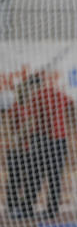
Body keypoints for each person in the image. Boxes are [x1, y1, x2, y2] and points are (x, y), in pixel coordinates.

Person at [19, 72, 74, 220]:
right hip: (60, 140)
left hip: (42, 140)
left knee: (34, 176)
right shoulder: (58, 93)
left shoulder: (37, 96)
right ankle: (52, 209)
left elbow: (31, 120)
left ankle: (27, 208)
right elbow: (71, 105)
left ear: (34, 85)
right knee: (54, 178)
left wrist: (20, 136)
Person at [5, 74, 38, 219]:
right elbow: (9, 127)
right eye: (25, 90)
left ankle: (26, 206)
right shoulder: (15, 108)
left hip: (29, 148)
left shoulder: (31, 107)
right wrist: (18, 135)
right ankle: (12, 207)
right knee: (15, 179)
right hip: (16, 149)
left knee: (30, 179)